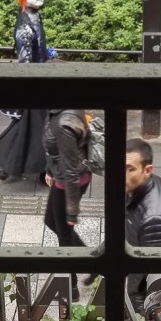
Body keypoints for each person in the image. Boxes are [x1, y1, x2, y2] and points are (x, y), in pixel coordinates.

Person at [0, 0, 52, 181]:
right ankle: (32, 167)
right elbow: (25, 64)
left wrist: (47, 53)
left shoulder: (34, 16)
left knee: (29, 126)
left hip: (40, 81)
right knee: (35, 126)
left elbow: (37, 50)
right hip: (34, 84)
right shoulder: (25, 28)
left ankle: (8, 165)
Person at [124, 138, 161, 310]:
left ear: (147, 170)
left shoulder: (155, 221)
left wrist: (138, 310)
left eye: (130, 169)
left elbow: (156, 278)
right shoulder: (139, 186)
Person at [43, 108, 93, 298]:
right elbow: (55, 149)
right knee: (51, 221)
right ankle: (92, 262)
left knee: (64, 233)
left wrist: (72, 211)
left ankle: (70, 288)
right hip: (63, 177)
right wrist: (50, 170)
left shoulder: (65, 123)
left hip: (69, 183)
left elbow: (71, 170)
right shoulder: (56, 111)